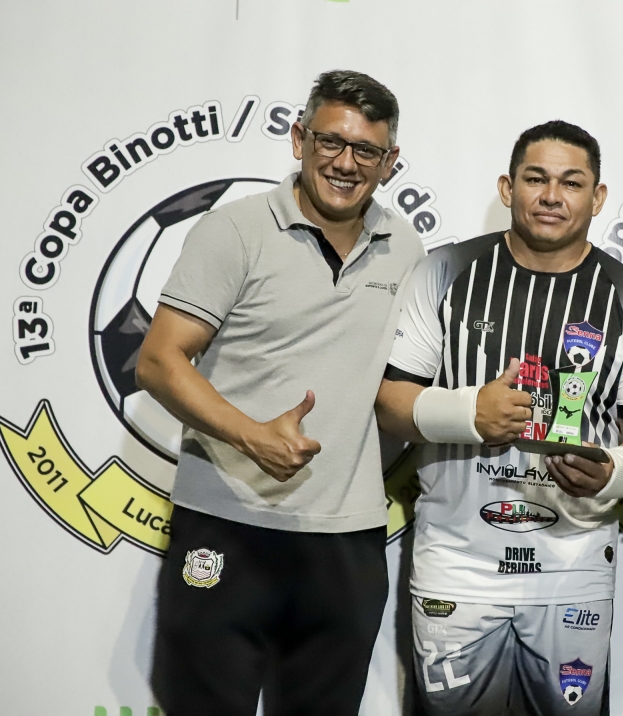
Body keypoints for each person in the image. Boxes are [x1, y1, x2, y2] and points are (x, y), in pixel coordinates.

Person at [136, 70, 424, 715]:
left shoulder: (406, 248)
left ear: (390, 162)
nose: (345, 163)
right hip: (228, 525)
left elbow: (403, 384)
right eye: (331, 141)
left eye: (366, 150)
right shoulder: (234, 231)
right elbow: (157, 361)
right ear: (299, 140)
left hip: (347, 539)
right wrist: (252, 437)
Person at [375, 121, 623, 716]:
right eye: (536, 179)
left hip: (574, 563)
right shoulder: (444, 271)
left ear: (598, 197)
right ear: (507, 188)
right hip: (456, 563)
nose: (551, 196)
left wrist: (612, 472)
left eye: (572, 182)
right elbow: (390, 402)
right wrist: (470, 413)